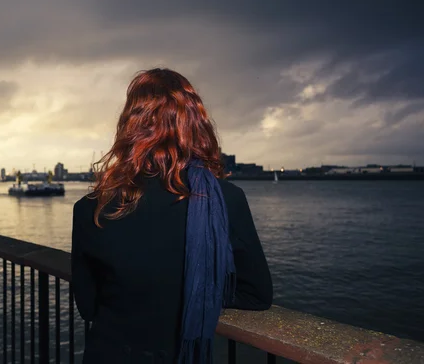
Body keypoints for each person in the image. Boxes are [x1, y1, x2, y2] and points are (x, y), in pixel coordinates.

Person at [71, 68, 273, 363]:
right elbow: (257, 295)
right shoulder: (225, 199)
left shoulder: (90, 207)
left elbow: (88, 306)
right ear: (195, 123)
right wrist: (196, 289)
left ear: (129, 124)